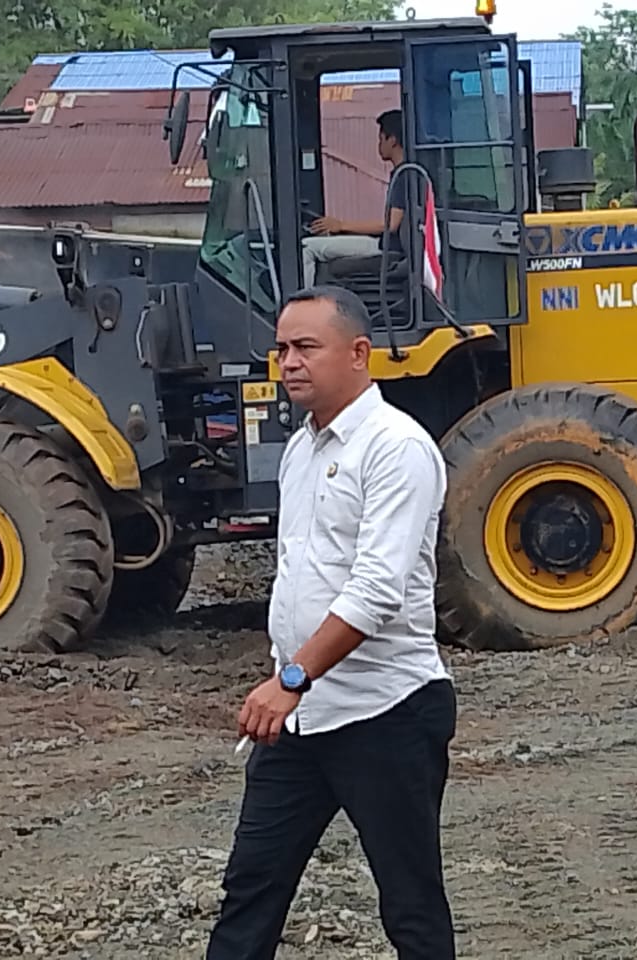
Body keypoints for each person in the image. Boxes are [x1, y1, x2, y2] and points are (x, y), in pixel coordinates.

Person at [204, 284, 458, 960]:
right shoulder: (301, 450)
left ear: (358, 353)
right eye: (282, 348)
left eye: (306, 347)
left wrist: (291, 678)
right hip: (301, 723)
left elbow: (376, 591)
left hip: (386, 712)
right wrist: (291, 684)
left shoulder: (396, 448)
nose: (289, 362)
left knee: (411, 904)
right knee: (250, 890)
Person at [301, 109, 412, 286]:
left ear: (392, 140)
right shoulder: (404, 173)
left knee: (306, 248)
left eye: (380, 139)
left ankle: (303, 301)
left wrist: (341, 225)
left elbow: (391, 225)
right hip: (384, 243)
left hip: (385, 246)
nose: (378, 145)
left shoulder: (403, 175)